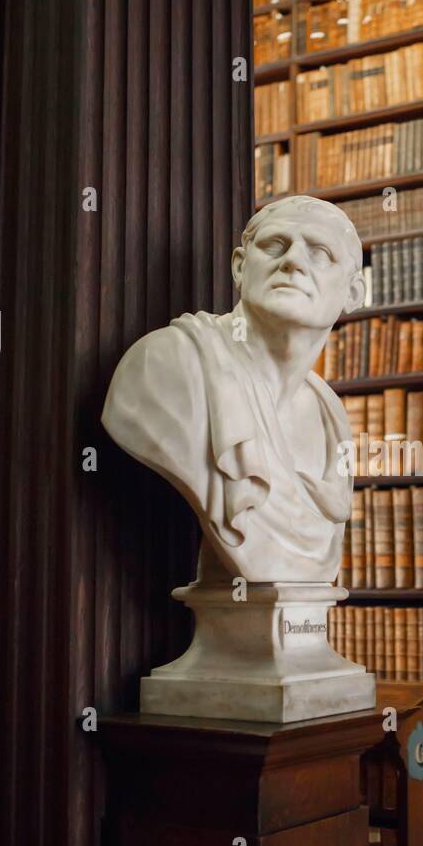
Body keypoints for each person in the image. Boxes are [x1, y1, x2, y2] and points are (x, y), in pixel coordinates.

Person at [102, 195, 365, 582]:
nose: (292, 261)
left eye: (321, 252)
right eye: (275, 245)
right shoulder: (163, 367)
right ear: (240, 267)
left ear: (353, 294)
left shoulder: (330, 416)